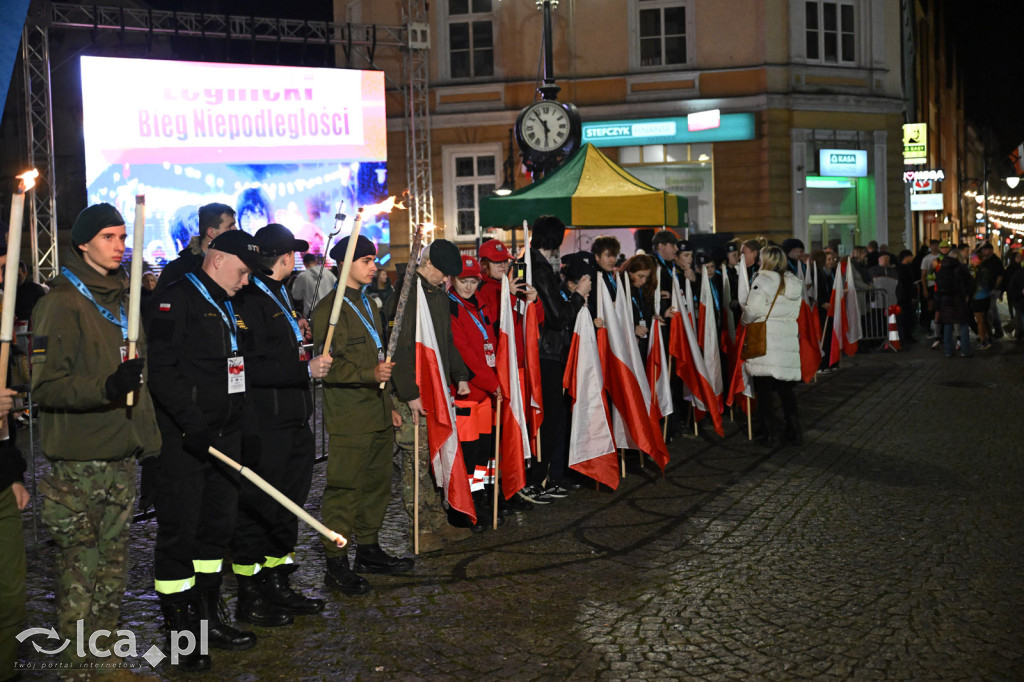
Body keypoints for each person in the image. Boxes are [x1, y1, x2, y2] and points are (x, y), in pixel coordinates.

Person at [31, 203, 162, 674]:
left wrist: (149, 443)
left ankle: (104, 663)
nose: (119, 246)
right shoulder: (62, 303)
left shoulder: (123, 300)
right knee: (79, 578)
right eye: (109, 237)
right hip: (79, 465)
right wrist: (106, 387)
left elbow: (140, 382)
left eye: (123, 237)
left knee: (111, 575)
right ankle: (77, 670)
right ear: (83, 243)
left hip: (120, 458)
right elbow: (45, 387)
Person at [146, 230, 273, 671]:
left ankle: (208, 618)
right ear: (217, 260)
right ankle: (181, 633)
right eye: (242, 271)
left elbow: (238, 372)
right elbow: (161, 371)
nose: (246, 281)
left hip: (225, 437)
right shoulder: (175, 298)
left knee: (215, 531)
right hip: (186, 441)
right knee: (180, 534)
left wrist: (246, 427)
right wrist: (191, 422)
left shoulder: (230, 302)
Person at [229, 223, 329, 619]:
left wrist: (296, 331)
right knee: (260, 507)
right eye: (294, 253)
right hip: (267, 422)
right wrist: (304, 369)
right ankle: (250, 593)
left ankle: (278, 581)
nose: (296, 259)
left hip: (294, 419)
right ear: (285, 257)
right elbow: (250, 366)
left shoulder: (279, 292)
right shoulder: (249, 298)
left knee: (289, 506)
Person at [312, 235, 412, 590]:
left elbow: (377, 354)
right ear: (344, 265)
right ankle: (336, 561)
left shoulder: (369, 303)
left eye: (374, 260)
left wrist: (390, 406)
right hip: (350, 418)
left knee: (376, 486)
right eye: (366, 261)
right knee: (345, 489)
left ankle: (368, 549)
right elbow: (328, 369)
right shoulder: (329, 311)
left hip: (377, 412)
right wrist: (370, 374)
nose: (374, 267)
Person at [385, 239, 473, 552]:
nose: (447, 279)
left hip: (435, 389)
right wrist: (409, 393)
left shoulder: (436, 293)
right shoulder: (407, 295)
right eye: (444, 273)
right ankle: (419, 527)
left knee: (432, 458)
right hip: (413, 391)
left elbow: (445, 339)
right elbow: (399, 348)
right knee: (415, 462)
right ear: (429, 264)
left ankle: (437, 518)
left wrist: (460, 375)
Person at [526, 217, 589, 495]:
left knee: (551, 416)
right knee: (549, 416)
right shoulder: (538, 268)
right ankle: (538, 478)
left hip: (546, 351)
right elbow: (557, 317)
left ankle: (544, 476)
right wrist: (579, 296)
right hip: (546, 353)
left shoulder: (534, 264)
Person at [447, 255, 503, 531]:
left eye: (473, 281)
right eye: (463, 281)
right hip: (467, 393)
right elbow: (465, 354)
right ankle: (462, 509)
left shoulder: (479, 304)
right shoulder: (451, 308)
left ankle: (479, 501)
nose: (468, 287)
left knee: (483, 456)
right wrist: (494, 383)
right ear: (453, 280)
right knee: (468, 456)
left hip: (485, 394)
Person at [741, 245, 803, 447]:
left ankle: (766, 431)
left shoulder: (763, 280)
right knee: (785, 389)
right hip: (786, 340)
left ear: (767, 260)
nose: (759, 262)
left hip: (766, 340)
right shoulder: (793, 283)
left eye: (761, 258)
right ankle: (794, 429)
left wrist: (744, 318)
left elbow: (753, 310)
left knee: (764, 389)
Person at [153, 202, 237, 298]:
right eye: (230, 226)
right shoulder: (176, 271)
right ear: (211, 232)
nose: (236, 229)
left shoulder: (238, 265)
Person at [934, 247, 973, 358]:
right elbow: (969, 282)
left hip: (945, 299)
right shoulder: (961, 268)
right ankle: (965, 350)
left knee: (948, 323)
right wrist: (968, 295)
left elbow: (938, 284)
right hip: (958, 298)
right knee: (963, 323)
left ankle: (948, 351)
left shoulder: (942, 268)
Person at [623, 254, 655, 356]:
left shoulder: (643, 289)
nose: (644, 281)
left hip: (643, 342)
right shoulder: (620, 290)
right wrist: (633, 329)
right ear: (630, 272)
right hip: (627, 345)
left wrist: (654, 315)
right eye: (641, 276)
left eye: (646, 277)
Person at [292, 252, 337, 318]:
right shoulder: (328, 273)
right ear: (315, 261)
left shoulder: (302, 276)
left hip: (312, 315)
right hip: (329, 313)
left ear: (304, 264)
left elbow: (296, 296)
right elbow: (338, 289)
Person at [977, 242, 1005, 339]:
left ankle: (988, 333)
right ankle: (998, 330)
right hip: (988, 288)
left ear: (990, 250)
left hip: (993, 289)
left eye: (984, 249)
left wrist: (995, 287)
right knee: (993, 309)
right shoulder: (986, 260)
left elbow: (1000, 275)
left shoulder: (995, 261)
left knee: (989, 310)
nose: (983, 251)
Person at [968, 250, 993, 350]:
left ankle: (983, 341)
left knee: (979, 320)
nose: (971, 260)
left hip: (978, 297)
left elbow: (974, 284)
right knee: (984, 319)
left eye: (973, 258)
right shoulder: (985, 269)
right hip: (986, 296)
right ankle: (989, 338)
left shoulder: (976, 270)